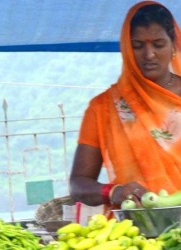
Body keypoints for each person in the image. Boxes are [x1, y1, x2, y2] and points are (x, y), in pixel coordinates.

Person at [69, 1, 181, 211]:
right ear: (126, 48)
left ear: (174, 44)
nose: (149, 55)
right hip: (132, 232)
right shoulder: (103, 108)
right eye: (138, 46)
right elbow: (78, 184)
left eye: (158, 44)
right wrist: (113, 192)